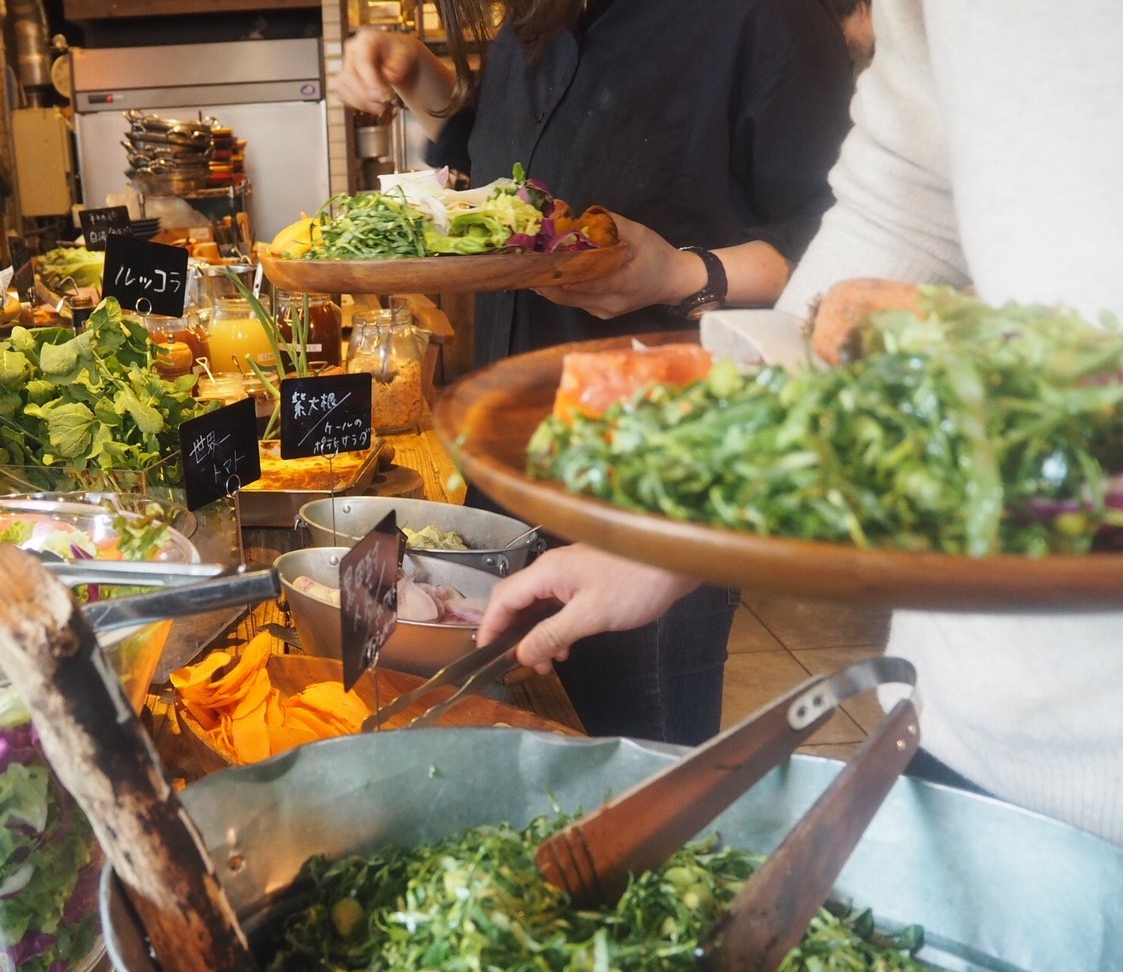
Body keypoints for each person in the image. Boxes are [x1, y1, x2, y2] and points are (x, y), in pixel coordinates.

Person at [478, 0, 1123, 846]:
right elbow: (899, 200)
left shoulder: (758, 21)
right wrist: (684, 524)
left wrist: (684, 276)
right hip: (955, 716)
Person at [335, 0, 855, 744]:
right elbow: (499, 172)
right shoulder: (534, 21)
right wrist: (422, 76)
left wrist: (682, 274)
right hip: (508, 474)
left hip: (651, 492)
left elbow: (843, 250)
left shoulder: (764, 18)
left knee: (630, 771)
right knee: (508, 748)